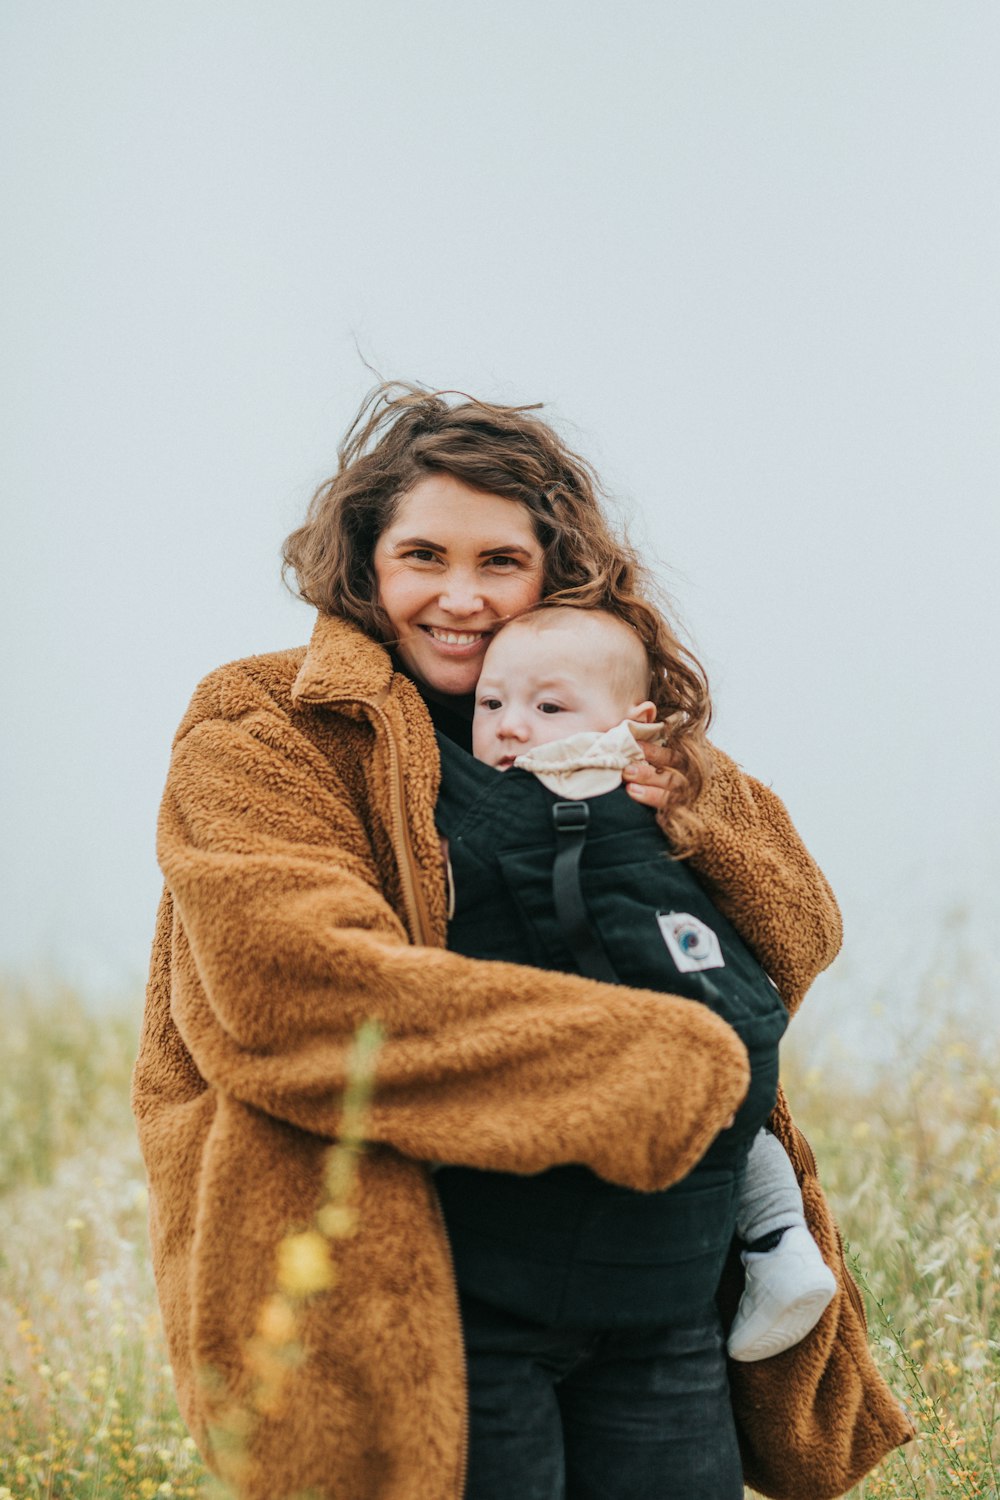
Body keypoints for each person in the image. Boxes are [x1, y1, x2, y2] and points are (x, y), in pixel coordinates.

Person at [132, 381, 911, 1500]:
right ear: (364, 562)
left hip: (656, 1300)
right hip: (425, 1298)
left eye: (500, 561)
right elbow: (291, 990)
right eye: (422, 556)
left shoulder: (599, 712)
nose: (461, 598)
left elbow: (793, 935)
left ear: (555, 567)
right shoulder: (269, 723)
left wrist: (692, 803)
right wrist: (639, 1062)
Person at [436, 604, 835, 1414]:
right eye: (490, 704)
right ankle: (775, 1240)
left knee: (726, 1109)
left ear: (633, 723)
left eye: (548, 709)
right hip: (597, 1088)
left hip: (674, 1032)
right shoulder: (479, 793)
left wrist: (687, 805)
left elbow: (800, 922)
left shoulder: (641, 776)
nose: (511, 728)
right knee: (726, 1111)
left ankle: (776, 1239)